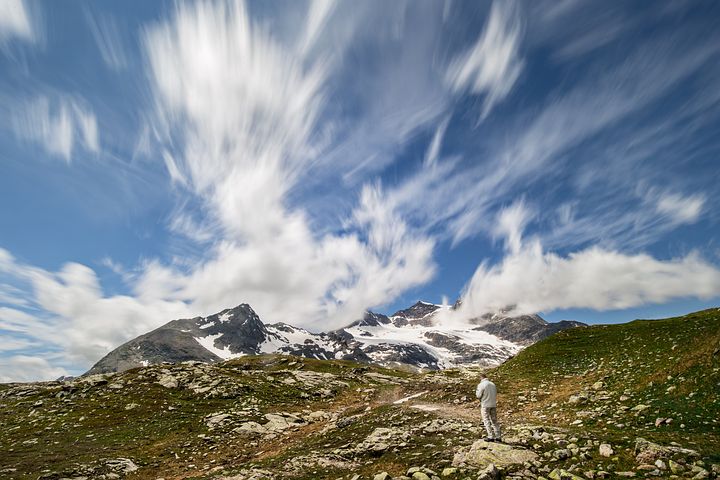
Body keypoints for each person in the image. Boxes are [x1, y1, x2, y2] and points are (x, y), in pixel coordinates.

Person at [475, 373, 501, 442]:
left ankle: (490, 436)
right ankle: (498, 436)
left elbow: (478, 395)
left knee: (486, 420)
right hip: (493, 404)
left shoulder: (481, 385)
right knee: (494, 420)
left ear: (481, 378)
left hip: (485, 404)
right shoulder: (493, 384)